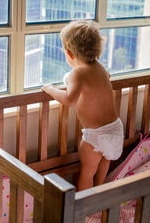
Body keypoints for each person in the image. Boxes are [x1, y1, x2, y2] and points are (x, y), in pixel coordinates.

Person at [42, 20, 124, 191]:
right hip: (115, 129)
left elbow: (69, 99)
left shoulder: (77, 73)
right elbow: (103, 79)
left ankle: (84, 205)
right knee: (104, 161)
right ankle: (100, 192)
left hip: (96, 135)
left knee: (87, 172)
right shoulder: (101, 68)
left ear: (70, 54)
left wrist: (50, 89)